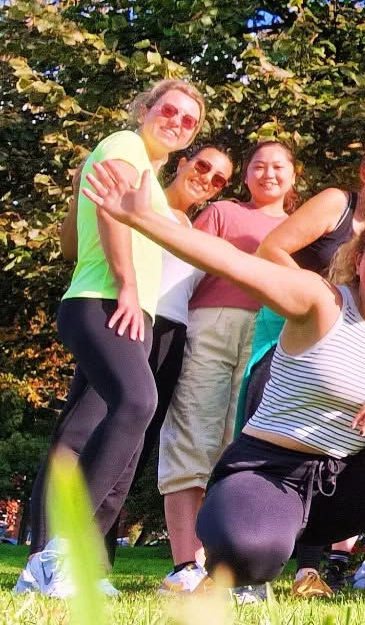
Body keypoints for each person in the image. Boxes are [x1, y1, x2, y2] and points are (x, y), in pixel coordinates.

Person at [73, 161, 365, 608]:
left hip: (339, 486)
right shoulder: (320, 302)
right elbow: (234, 263)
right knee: (251, 557)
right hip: (267, 472)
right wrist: (142, 218)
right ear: (358, 259)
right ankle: (237, 557)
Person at [18, 79, 207, 598]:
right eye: (170, 110)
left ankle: (44, 563)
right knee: (137, 402)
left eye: (189, 121)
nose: (177, 123)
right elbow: (106, 211)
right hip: (107, 303)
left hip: (111, 303)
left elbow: (71, 237)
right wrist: (124, 282)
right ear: (146, 108)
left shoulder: (141, 167)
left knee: (83, 428)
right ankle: (61, 554)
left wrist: (104, 273)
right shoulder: (125, 146)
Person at [248, 133, 365, 594]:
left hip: (351, 354)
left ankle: (310, 569)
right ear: (364, 171)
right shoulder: (335, 205)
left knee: (344, 446)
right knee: (273, 445)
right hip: (290, 340)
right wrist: (326, 300)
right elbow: (271, 250)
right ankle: (239, 557)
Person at [55, 144, 234, 574]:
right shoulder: (140, 193)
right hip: (128, 319)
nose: (207, 178)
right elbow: (74, 247)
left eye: (219, 179)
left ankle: (96, 562)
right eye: (202, 166)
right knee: (82, 430)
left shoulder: (196, 226)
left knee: (131, 450)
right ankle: (52, 548)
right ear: (184, 162)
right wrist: (80, 192)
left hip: (172, 334)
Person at [157, 140, 295, 592]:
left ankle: (233, 565)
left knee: (244, 445)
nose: (268, 173)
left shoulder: (301, 227)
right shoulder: (220, 213)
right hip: (212, 327)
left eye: (278, 166)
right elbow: (183, 272)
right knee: (192, 433)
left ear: (293, 176)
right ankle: (184, 565)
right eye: (258, 165)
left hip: (271, 336)